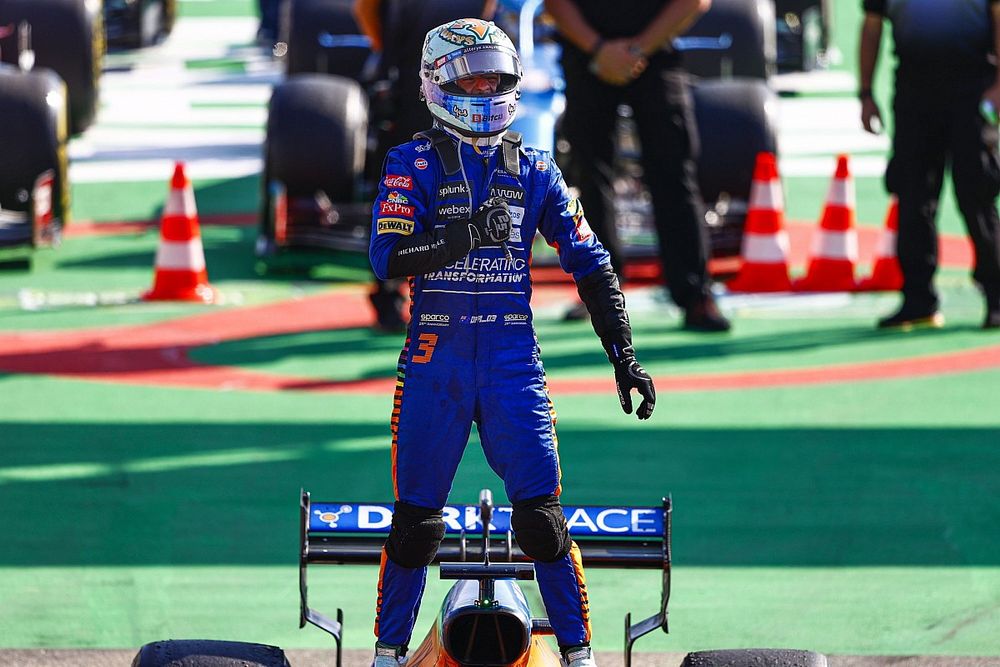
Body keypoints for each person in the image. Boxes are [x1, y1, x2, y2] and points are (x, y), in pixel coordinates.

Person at [368, 18, 656, 667]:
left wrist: (624, 355)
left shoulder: (535, 169)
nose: (485, 87)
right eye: (472, 76)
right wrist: (462, 237)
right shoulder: (409, 164)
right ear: (439, 82)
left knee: (543, 523)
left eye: (496, 76)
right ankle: (386, 658)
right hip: (434, 364)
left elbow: (592, 261)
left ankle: (580, 658)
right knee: (415, 528)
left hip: (512, 367)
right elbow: (387, 257)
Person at [544, 0, 731, 332]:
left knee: (673, 171)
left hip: (656, 52)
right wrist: (600, 49)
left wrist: (635, 49)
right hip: (587, 55)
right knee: (589, 175)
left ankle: (694, 293)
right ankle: (598, 290)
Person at [355, 0, 498, 331]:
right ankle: (390, 291)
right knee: (403, 194)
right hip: (414, 87)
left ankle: (421, 293)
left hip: (445, 89)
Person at [860, 0, 1000, 330]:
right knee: (912, 195)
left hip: (972, 87)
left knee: (976, 193)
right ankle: (918, 298)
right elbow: (871, 25)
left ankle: (997, 295)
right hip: (914, 90)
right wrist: (865, 92)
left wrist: (998, 84)